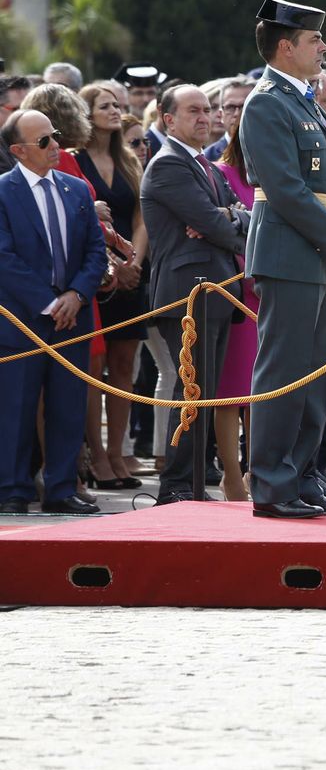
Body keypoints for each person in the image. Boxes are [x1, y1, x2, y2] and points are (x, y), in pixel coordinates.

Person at [238, 0, 326, 519]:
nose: (324, 47)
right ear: (286, 46)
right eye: (315, 39)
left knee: (315, 377)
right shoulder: (267, 102)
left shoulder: (306, 99)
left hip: (320, 256)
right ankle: (272, 483)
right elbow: (287, 191)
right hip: (289, 255)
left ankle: (302, 475)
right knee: (285, 373)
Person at [141, 84, 251, 504]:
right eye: (194, 111)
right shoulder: (169, 164)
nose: (205, 117)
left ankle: (192, 484)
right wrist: (224, 221)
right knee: (193, 391)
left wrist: (226, 220)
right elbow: (220, 224)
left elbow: (244, 218)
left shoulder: (204, 164)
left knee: (206, 392)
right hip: (189, 295)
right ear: (168, 119)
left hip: (217, 292)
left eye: (207, 110)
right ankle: (176, 485)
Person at [0, 110, 108, 514]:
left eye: (55, 136)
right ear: (18, 150)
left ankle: (62, 488)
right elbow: (4, 258)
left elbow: (95, 251)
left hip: (72, 318)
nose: (55, 146)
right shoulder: (3, 192)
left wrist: (77, 295)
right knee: (16, 407)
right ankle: (13, 490)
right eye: (44, 141)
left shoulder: (75, 189)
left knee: (68, 406)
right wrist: (49, 303)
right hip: (22, 321)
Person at [75, 82, 148, 489]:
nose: (116, 111)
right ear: (86, 114)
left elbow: (140, 218)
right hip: (95, 275)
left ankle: (119, 454)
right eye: (105, 106)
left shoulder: (128, 159)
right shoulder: (74, 160)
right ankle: (98, 456)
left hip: (130, 274)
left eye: (117, 105)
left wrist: (133, 262)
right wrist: (112, 265)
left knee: (124, 367)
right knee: (93, 368)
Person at [211, 119, 258, 500]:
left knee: (264, 392)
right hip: (237, 290)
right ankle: (230, 474)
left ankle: (258, 472)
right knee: (231, 391)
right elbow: (222, 225)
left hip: (271, 291)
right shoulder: (221, 173)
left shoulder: (274, 176)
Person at [202, 76, 253, 161]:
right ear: (221, 114)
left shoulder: (273, 148)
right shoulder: (207, 159)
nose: (237, 114)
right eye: (230, 107)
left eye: (244, 106)